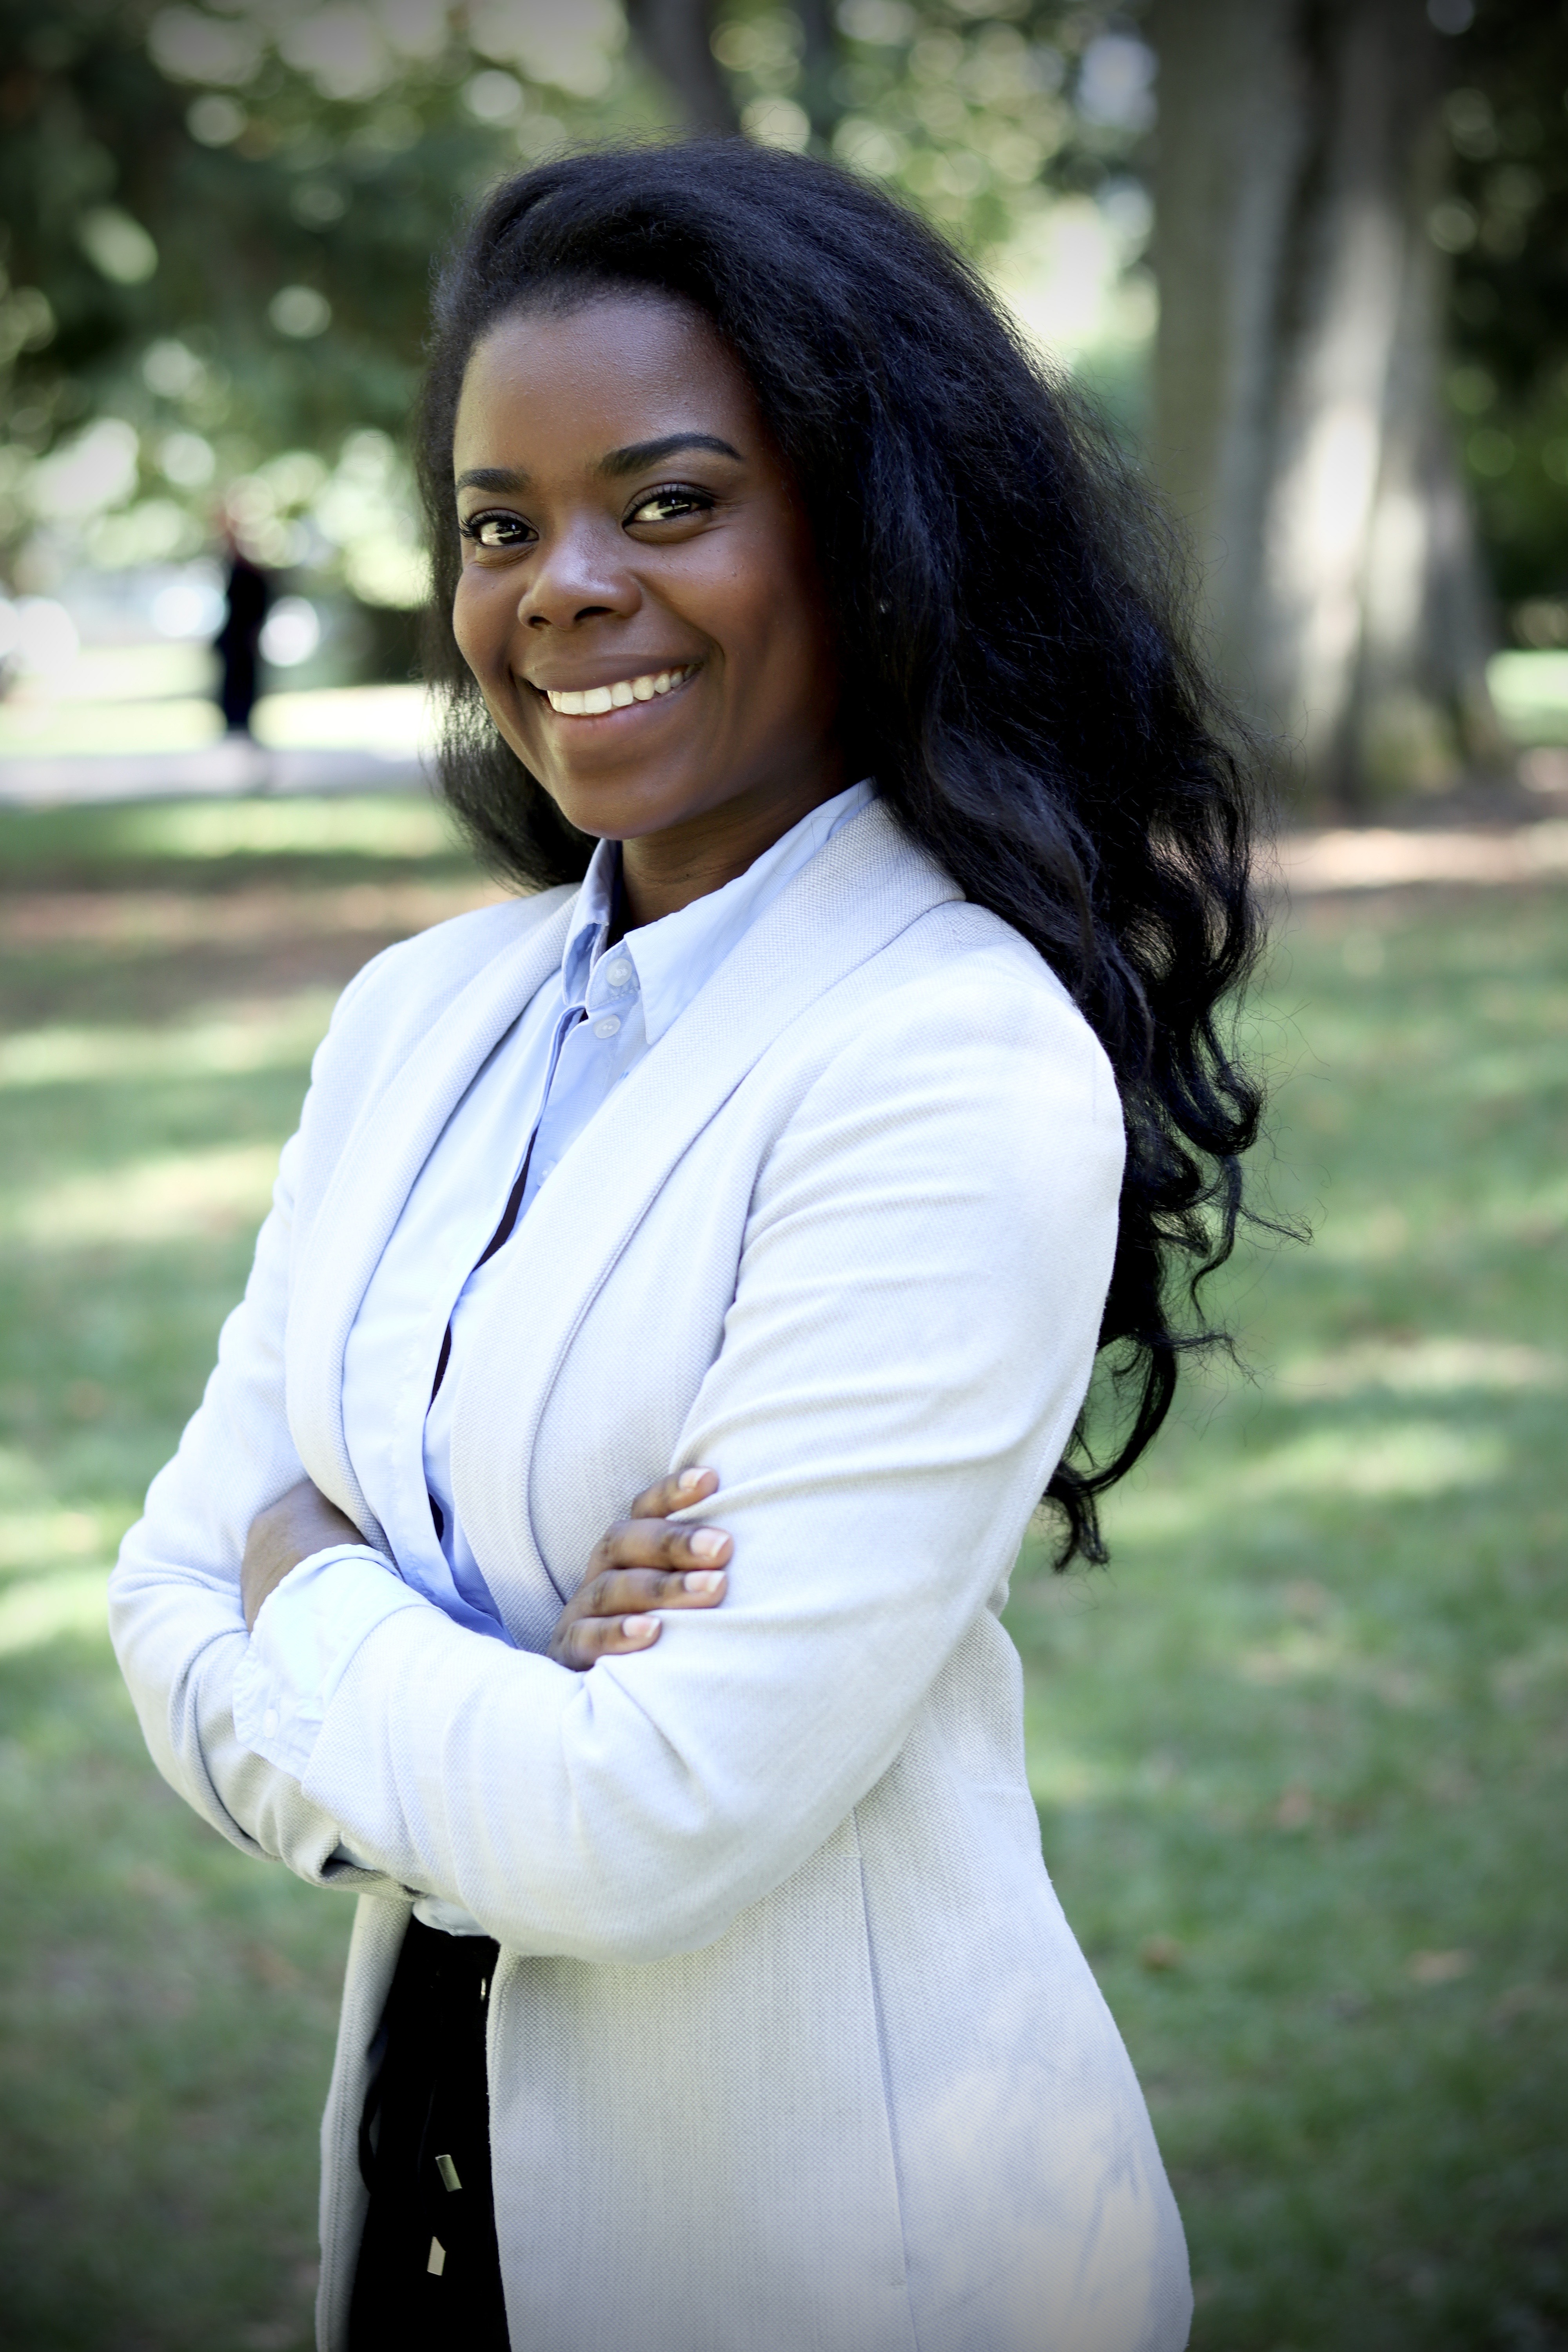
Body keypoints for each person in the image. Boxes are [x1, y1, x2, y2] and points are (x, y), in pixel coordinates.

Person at [110, 143, 1263, 2352]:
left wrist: (317, 1575)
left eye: (665, 505)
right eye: (497, 522)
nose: (560, 586)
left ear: (866, 526)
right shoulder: (414, 1021)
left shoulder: (946, 1062)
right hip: (425, 2226)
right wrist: (500, 1692)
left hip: (857, 2265)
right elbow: (159, 1595)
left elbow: (643, 1829)